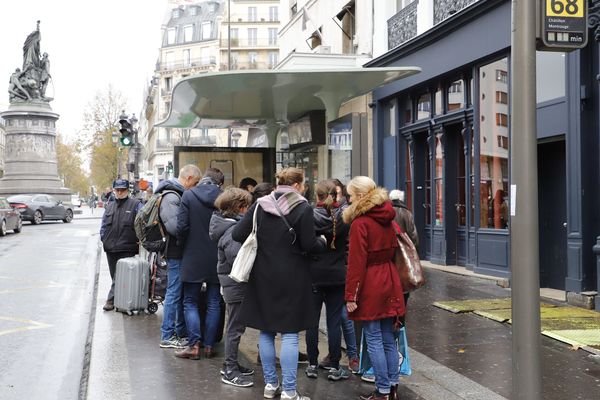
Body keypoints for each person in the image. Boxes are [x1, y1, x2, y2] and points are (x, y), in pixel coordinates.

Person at [232, 167, 326, 400]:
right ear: (296, 185)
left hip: (262, 275)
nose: (304, 188)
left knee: (266, 331)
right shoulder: (302, 207)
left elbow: (237, 234)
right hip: (293, 275)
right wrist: (322, 242)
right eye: (303, 184)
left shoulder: (259, 205)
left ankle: (271, 385)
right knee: (290, 334)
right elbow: (308, 244)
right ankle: (289, 391)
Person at [343, 176, 405, 400]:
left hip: (370, 281)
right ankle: (392, 386)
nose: (348, 199)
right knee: (388, 337)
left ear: (360, 196)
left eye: (350, 195)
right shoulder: (388, 217)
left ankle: (382, 391)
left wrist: (351, 295)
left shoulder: (361, 223)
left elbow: (356, 263)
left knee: (374, 338)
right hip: (389, 278)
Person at [304, 180, 351, 381]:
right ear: (336, 196)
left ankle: (312, 364)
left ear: (317, 196)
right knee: (334, 322)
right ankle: (334, 366)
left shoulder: (309, 216)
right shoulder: (342, 217)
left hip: (313, 274)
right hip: (337, 275)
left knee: (311, 321)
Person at [175, 168, 223, 360]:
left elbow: (181, 227)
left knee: (190, 301)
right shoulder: (223, 196)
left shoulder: (188, 195)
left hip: (192, 255)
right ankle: (210, 345)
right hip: (216, 256)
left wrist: (183, 246)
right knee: (214, 302)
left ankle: (194, 345)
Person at [209, 187, 255, 387]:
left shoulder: (225, 225)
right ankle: (229, 370)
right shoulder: (232, 230)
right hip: (236, 285)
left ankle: (232, 364)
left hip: (232, 284)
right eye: (247, 206)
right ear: (240, 208)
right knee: (235, 329)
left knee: (236, 327)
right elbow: (238, 258)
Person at [157, 164, 202, 349]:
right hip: (175, 252)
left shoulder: (175, 195)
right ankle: (167, 335)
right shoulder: (171, 197)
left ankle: (176, 332)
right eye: (196, 182)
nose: (196, 186)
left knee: (177, 293)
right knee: (174, 293)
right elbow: (175, 227)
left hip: (178, 251)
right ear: (189, 178)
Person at [99, 179, 142, 311]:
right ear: (114, 190)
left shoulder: (135, 204)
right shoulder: (110, 206)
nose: (119, 192)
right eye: (117, 190)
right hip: (111, 248)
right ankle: (120, 300)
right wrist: (103, 238)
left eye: (122, 190)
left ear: (127, 190)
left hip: (127, 247)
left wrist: (140, 240)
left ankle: (110, 300)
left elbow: (142, 222)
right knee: (115, 276)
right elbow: (103, 225)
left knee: (119, 276)